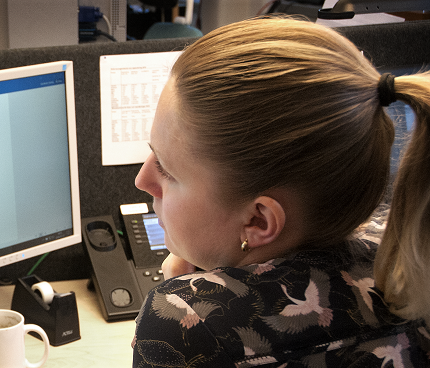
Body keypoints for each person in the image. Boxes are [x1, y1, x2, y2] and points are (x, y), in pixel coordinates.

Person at [132, 16, 430, 367]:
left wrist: (184, 301)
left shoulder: (185, 321)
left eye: (166, 169)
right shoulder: (402, 268)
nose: (142, 179)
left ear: (259, 220)